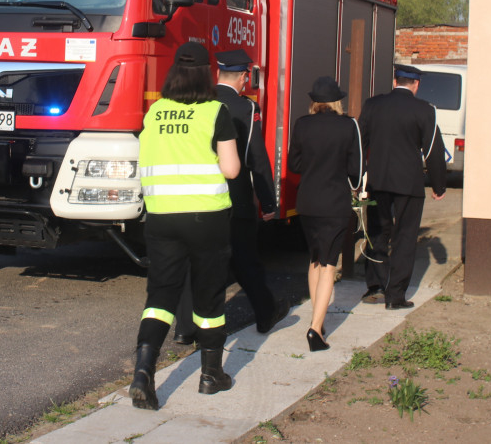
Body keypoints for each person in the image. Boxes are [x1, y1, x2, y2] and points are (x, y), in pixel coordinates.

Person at [129, 42, 241, 411]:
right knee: (208, 296)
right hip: (206, 218)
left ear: (174, 73)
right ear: (207, 74)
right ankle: (211, 376)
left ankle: (143, 373)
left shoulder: (155, 111)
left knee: (160, 296)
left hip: (161, 217)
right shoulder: (216, 112)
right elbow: (231, 170)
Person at [172, 49, 286, 345]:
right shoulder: (245, 108)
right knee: (245, 260)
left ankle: (185, 327)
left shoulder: (194, 102)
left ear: (217, 73)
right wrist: (269, 203)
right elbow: (255, 159)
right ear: (245, 77)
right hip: (232, 199)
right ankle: (265, 313)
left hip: (193, 196)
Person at [359, 63, 447, 310]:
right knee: (405, 237)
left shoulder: (373, 105)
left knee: (378, 232)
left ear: (394, 81)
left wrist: (357, 179)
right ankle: (395, 295)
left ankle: (375, 287)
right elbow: (432, 150)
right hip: (409, 183)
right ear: (416, 84)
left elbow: (359, 143)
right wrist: (439, 185)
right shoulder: (425, 110)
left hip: (378, 180)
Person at [287, 76, 363, 352]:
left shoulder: (302, 124)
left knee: (315, 258)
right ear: (336, 101)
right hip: (335, 202)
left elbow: (294, 163)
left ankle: (315, 320)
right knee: (330, 263)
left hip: (307, 201)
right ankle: (315, 329)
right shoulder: (348, 125)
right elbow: (357, 167)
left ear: (314, 101)